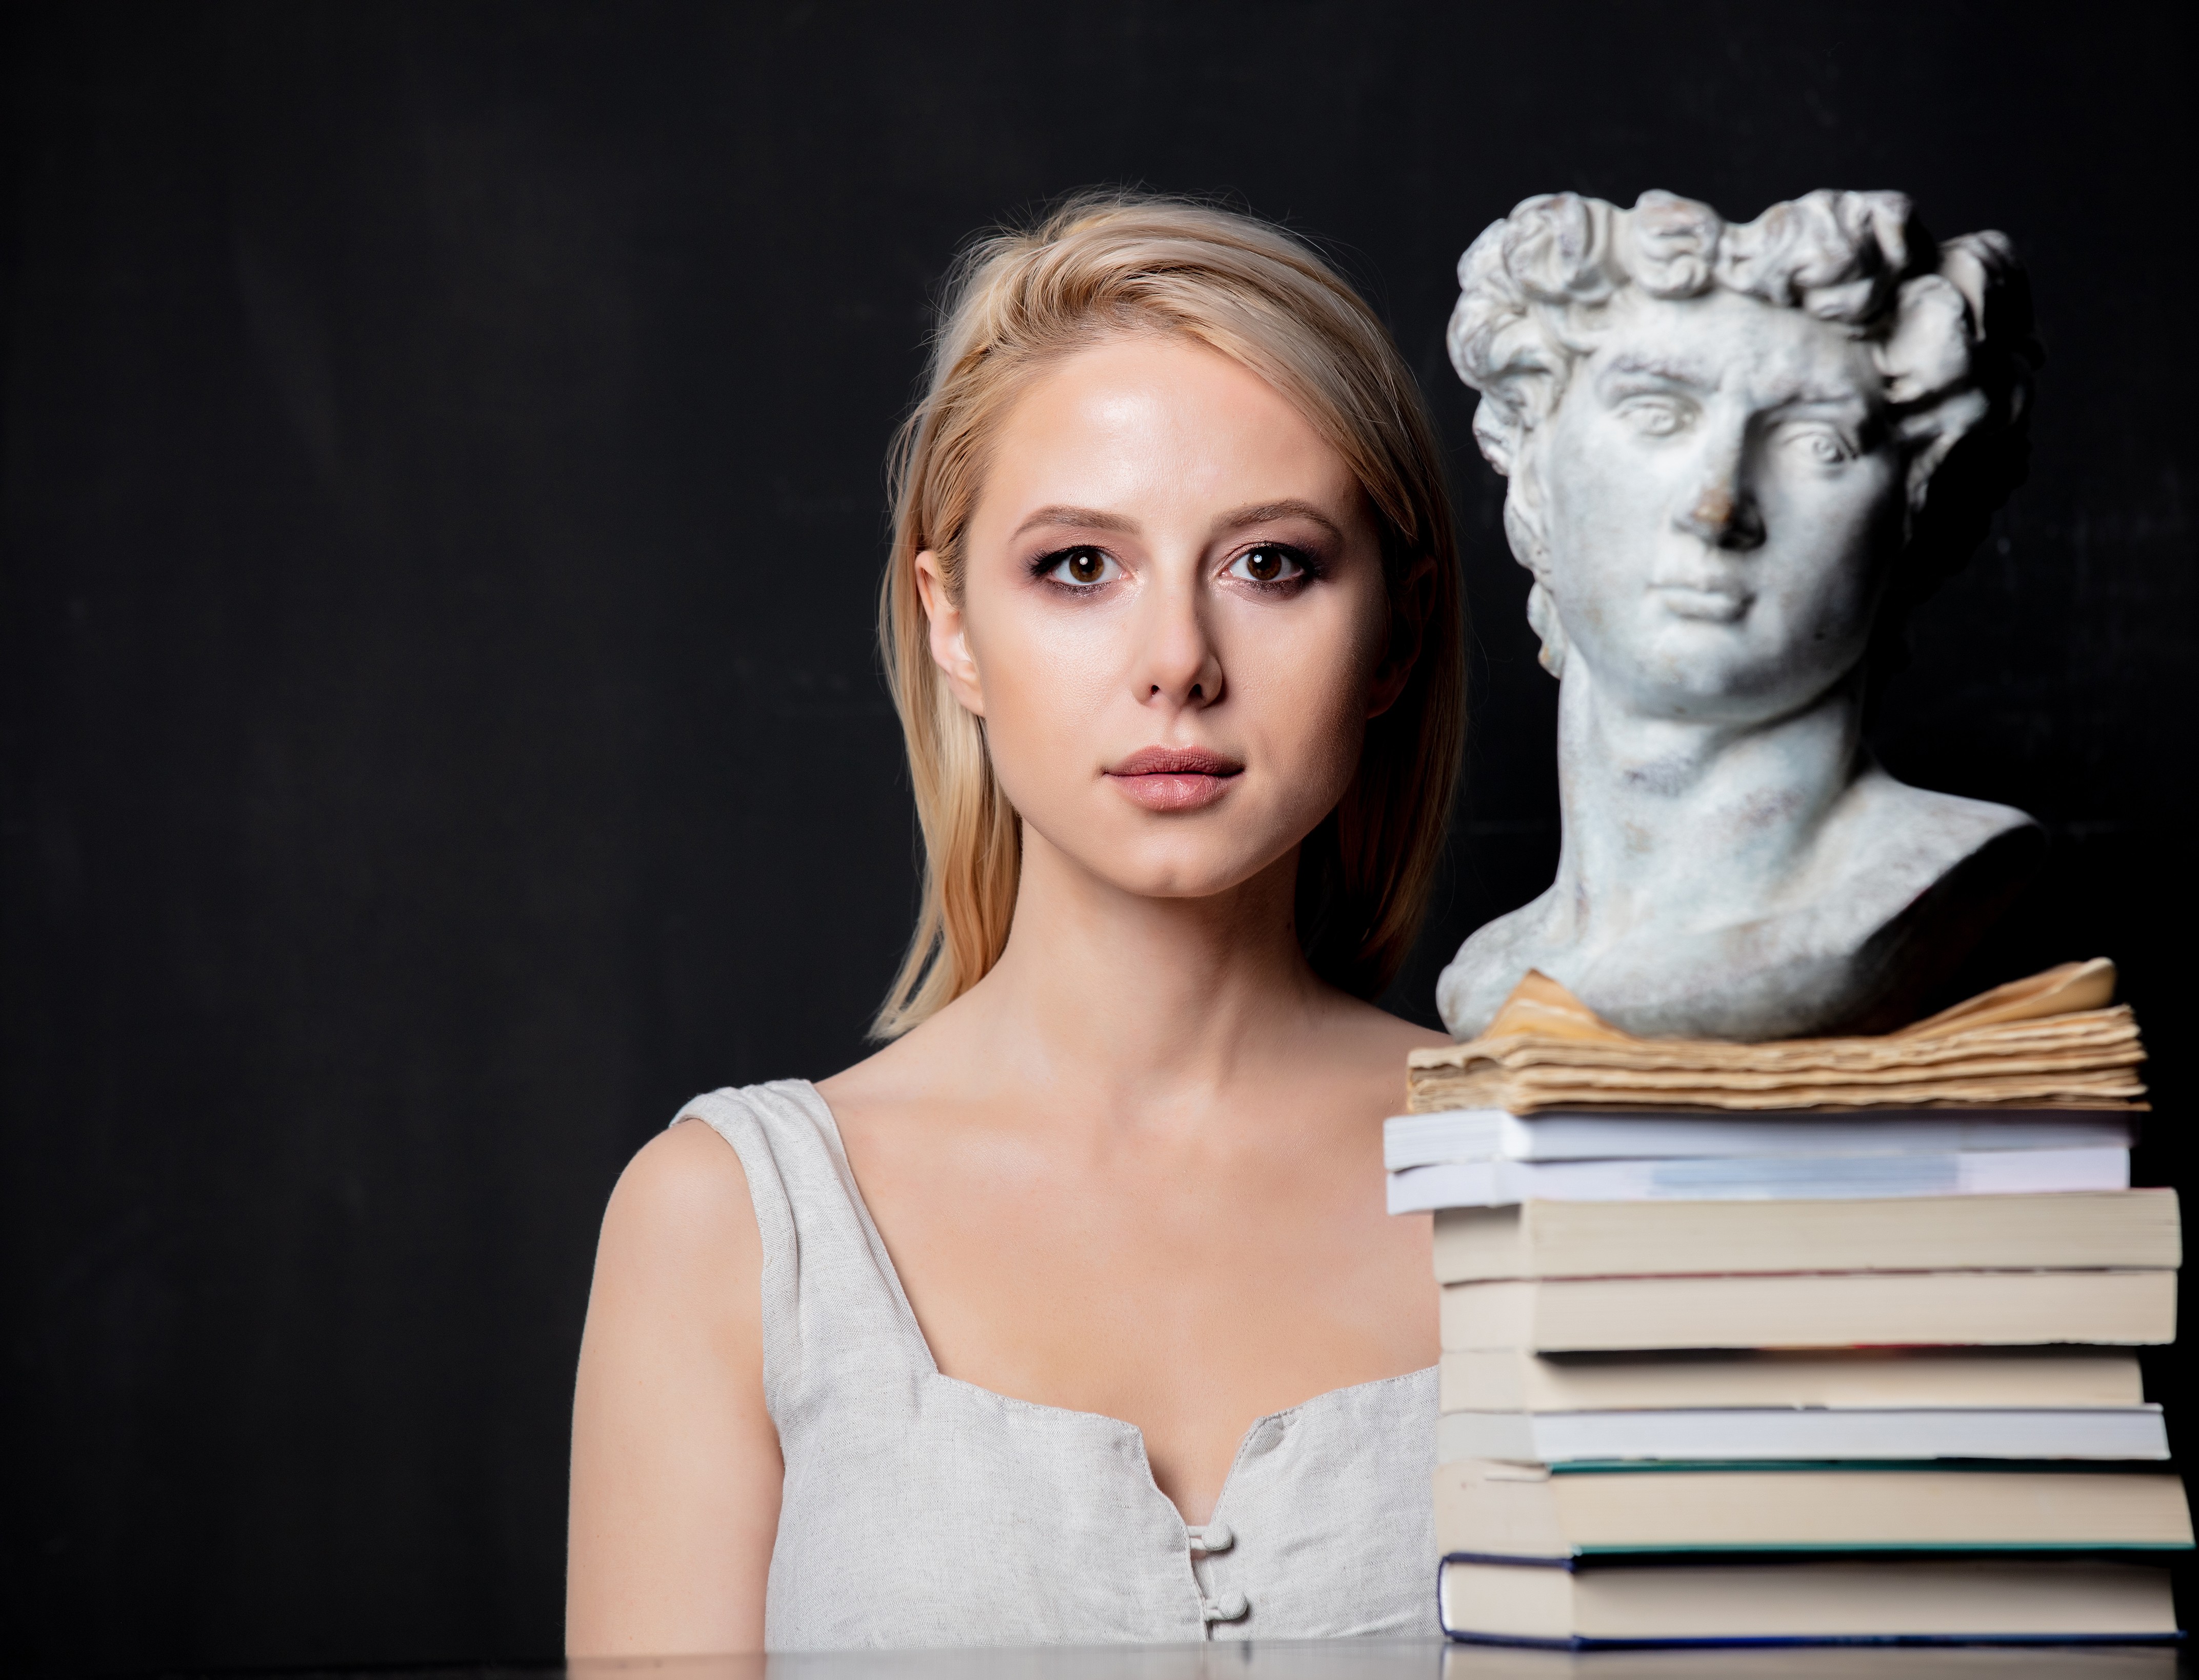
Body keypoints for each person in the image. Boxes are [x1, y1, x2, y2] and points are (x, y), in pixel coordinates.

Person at [564, 195, 1466, 1654]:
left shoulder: (1579, 1179)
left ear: (1398, 632)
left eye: (1272, 562)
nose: (1177, 660)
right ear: (952, 622)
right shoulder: (728, 1222)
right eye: (1079, 566)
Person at [1435, 189, 2047, 1044]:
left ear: (1916, 516)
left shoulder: (1917, 891)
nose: (1718, 507)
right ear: (1534, 475)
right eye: (1659, 416)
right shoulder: (1494, 972)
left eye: (1815, 444)